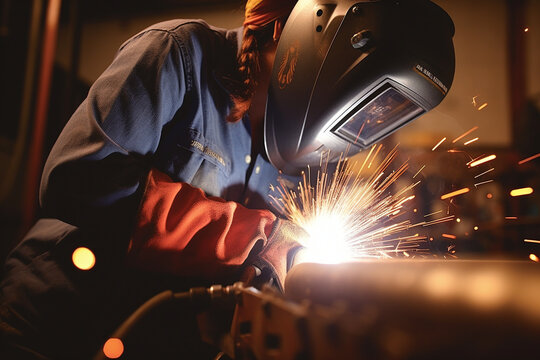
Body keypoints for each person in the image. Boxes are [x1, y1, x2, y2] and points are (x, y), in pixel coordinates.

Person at [0, 0, 306, 358]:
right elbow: (74, 177)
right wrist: (253, 237)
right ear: (286, 30)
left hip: (147, 342)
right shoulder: (178, 52)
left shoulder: (300, 146)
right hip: (52, 325)